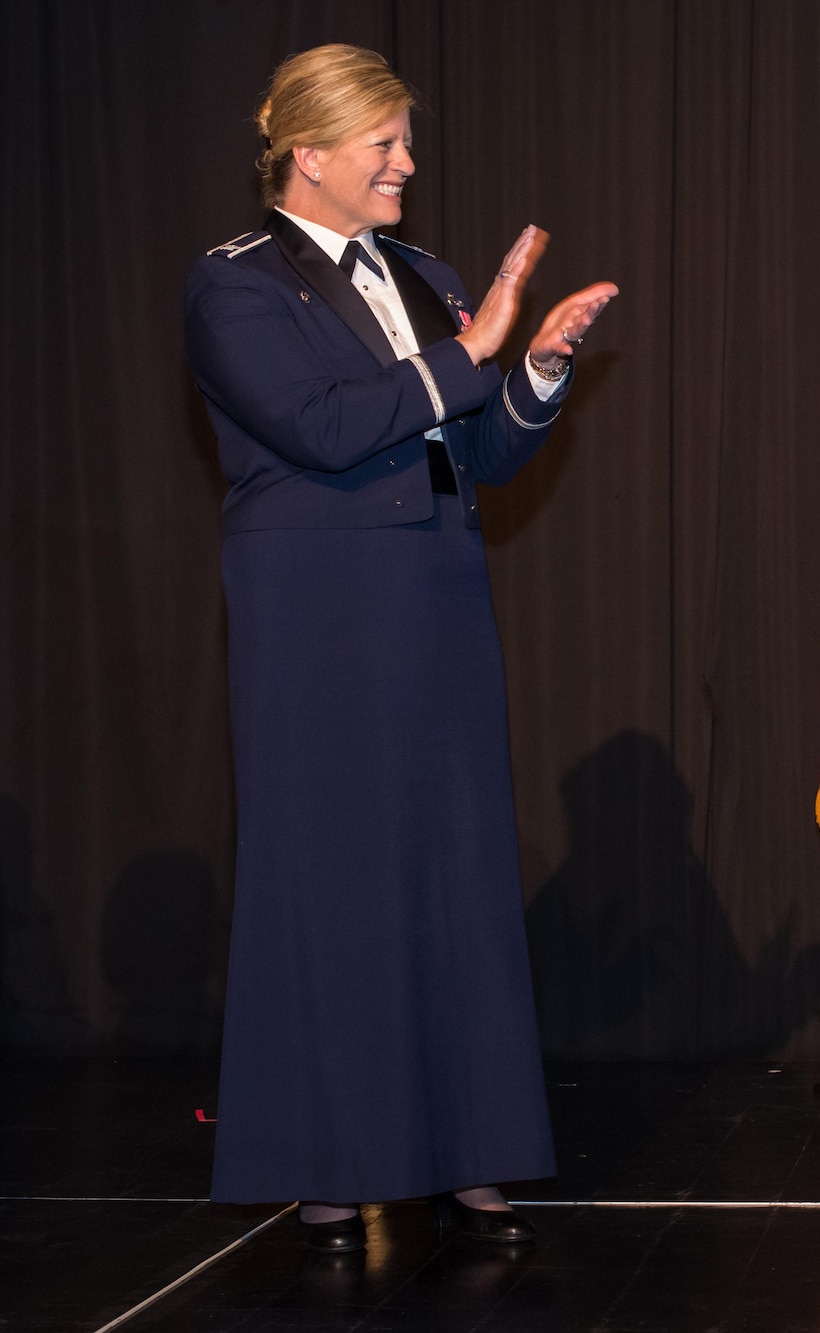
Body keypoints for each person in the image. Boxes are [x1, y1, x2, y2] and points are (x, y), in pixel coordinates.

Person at [184, 44, 617, 1253]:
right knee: (332, 877)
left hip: (433, 590)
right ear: (309, 156)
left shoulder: (422, 275)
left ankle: (469, 1144)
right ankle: (332, 1155)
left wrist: (532, 370)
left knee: (453, 865)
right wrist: (467, 358)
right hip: (314, 610)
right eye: (384, 145)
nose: (407, 165)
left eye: (406, 142)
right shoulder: (234, 285)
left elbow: (474, 452)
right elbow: (321, 430)